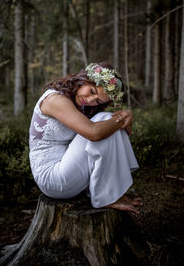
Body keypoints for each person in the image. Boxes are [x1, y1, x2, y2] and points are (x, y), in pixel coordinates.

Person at [29, 62, 141, 214]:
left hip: (70, 172)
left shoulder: (81, 106)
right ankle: (106, 197)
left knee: (107, 119)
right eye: (92, 91)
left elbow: (104, 133)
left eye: (98, 101)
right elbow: (94, 133)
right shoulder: (54, 99)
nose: (90, 100)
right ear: (85, 79)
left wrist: (121, 118)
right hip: (53, 179)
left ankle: (111, 192)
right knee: (105, 120)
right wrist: (123, 118)